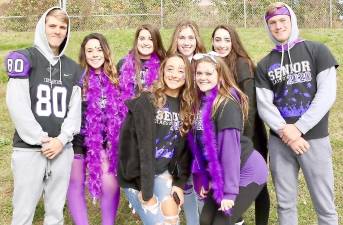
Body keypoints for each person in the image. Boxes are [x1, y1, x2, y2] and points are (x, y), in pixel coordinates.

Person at [255, 2, 339, 225]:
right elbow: (265, 105)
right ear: (268, 27)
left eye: (283, 20)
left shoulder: (317, 51)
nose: (278, 26)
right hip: (280, 142)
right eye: (272, 23)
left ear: (291, 21)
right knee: (285, 203)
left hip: (314, 139)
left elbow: (327, 95)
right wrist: (286, 132)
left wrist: (299, 129)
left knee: (325, 205)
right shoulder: (265, 64)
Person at [5, 7, 82, 225]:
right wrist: (40, 138)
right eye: (52, 26)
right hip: (29, 149)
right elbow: (17, 104)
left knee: (56, 212)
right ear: (42, 26)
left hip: (62, 149)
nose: (57, 31)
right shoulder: (25, 58)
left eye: (62, 27)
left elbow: (74, 111)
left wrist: (61, 139)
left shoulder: (73, 68)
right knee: (23, 211)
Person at [189, 53, 268, 225]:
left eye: (209, 73)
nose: (203, 78)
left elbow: (229, 151)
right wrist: (206, 178)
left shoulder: (227, 105)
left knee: (221, 222)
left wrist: (230, 192)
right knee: (205, 220)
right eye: (199, 73)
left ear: (220, 75)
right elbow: (202, 147)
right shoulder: (201, 102)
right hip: (223, 171)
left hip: (246, 169)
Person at [118, 53, 195, 225]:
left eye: (181, 70)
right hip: (138, 176)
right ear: (162, 71)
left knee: (172, 220)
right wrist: (146, 192)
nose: (175, 74)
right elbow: (130, 147)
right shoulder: (147, 101)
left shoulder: (186, 106)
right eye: (170, 69)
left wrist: (179, 184)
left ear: (188, 75)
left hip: (163, 172)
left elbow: (184, 152)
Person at [211, 25, 270, 225]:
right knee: (232, 179)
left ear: (234, 42)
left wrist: (243, 140)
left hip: (249, 136)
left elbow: (250, 108)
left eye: (227, 40)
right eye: (217, 40)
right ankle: (237, 217)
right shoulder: (213, 64)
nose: (222, 44)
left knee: (258, 184)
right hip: (226, 135)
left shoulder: (242, 64)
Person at [67, 33, 125, 225]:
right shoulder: (77, 77)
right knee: (75, 182)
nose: (94, 54)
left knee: (110, 184)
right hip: (77, 138)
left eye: (98, 49)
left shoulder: (114, 78)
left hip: (102, 141)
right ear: (84, 53)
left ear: (106, 52)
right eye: (89, 50)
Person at [167, 20, 206, 225]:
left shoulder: (204, 64)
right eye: (182, 37)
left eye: (191, 37)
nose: (186, 41)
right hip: (178, 129)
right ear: (176, 40)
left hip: (200, 130)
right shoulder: (170, 64)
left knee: (201, 180)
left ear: (197, 39)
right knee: (185, 179)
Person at [117, 24, 166, 102]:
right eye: (142, 38)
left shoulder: (163, 65)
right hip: (128, 112)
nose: (145, 43)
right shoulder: (123, 64)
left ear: (157, 42)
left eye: (151, 39)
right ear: (137, 41)